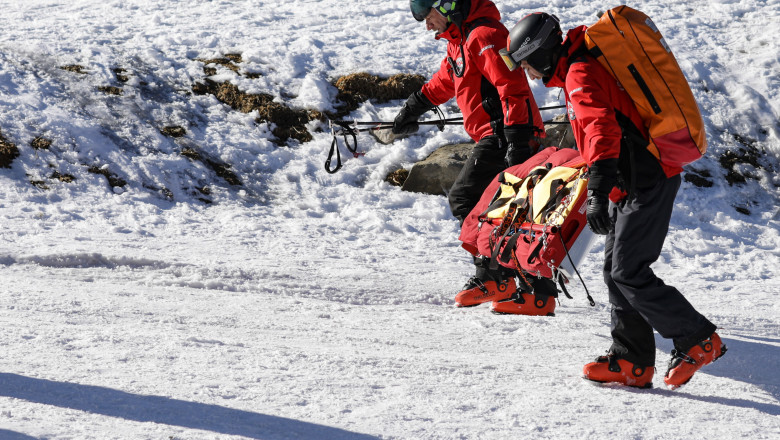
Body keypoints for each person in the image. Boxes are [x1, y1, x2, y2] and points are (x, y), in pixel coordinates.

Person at [499, 12, 726, 389]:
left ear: (540, 54)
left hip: (647, 180)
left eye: (527, 66)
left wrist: (598, 194)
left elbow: (602, 132)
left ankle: (698, 338)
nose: (530, 75)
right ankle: (631, 361)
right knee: (615, 271)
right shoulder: (578, 68)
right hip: (630, 181)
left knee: (629, 271)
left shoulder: (578, 73)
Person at [395, 0, 545, 308]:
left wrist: (516, 140)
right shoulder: (459, 41)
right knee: (507, 209)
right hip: (498, 134)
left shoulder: (485, 36)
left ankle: (494, 278)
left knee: (467, 198)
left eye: (428, 15)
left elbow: (512, 86)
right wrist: (412, 108)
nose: (427, 25)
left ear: (447, 5)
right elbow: (445, 82)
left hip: (507, 133)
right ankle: (533, 291)